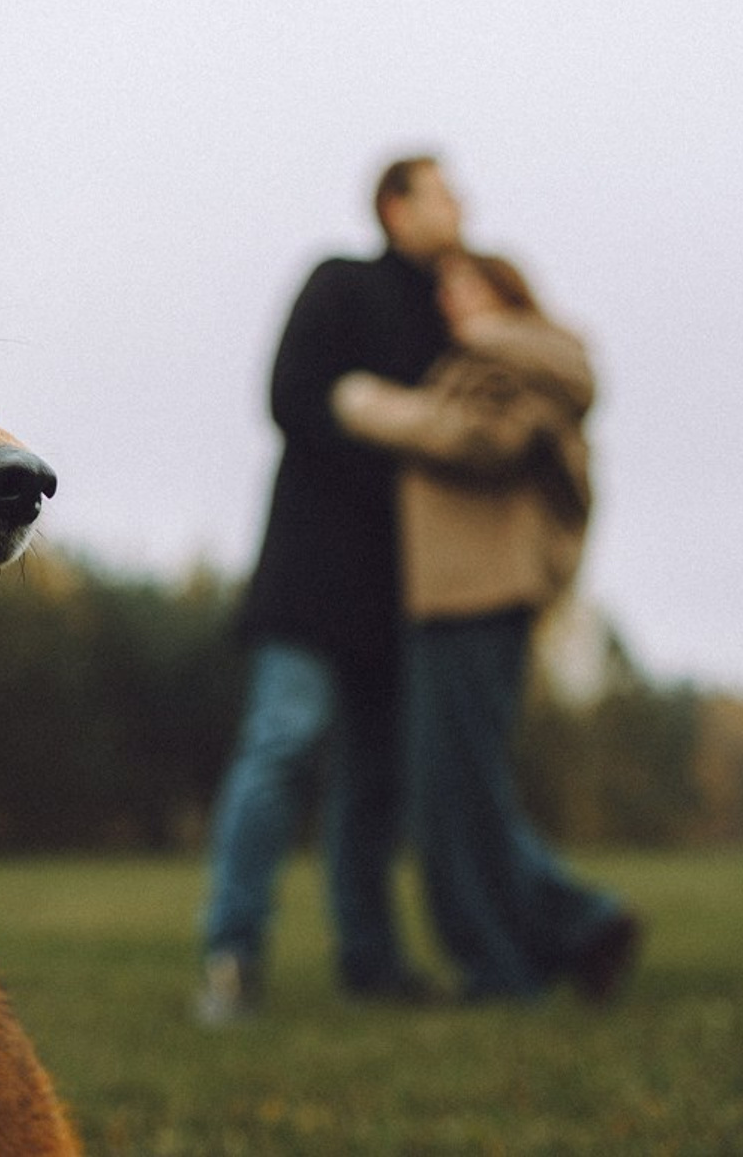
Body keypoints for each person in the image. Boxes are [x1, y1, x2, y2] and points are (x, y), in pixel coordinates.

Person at [331, 248, 642, 1002]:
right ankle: (557, 938)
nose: (450, 302)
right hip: (456, 596)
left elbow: (484, 440)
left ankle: (516, 958)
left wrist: (368, 405)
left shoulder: (520, 355)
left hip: (481, 594)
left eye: (465, 286)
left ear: (508, 292)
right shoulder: (514, 359)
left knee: (452, 799)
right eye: (445, 291)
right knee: (458, 793)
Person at [196, 157, 455, 1023]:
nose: (462, 209)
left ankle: (371, 961)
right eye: (444, 194)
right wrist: (381, 421)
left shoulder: (452, 310)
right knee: (284, 744)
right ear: (395, 206)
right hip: (312, 573)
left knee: (377, 778)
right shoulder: (339, 283)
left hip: (403, 585)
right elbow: (289, 397)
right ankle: (232, 958)